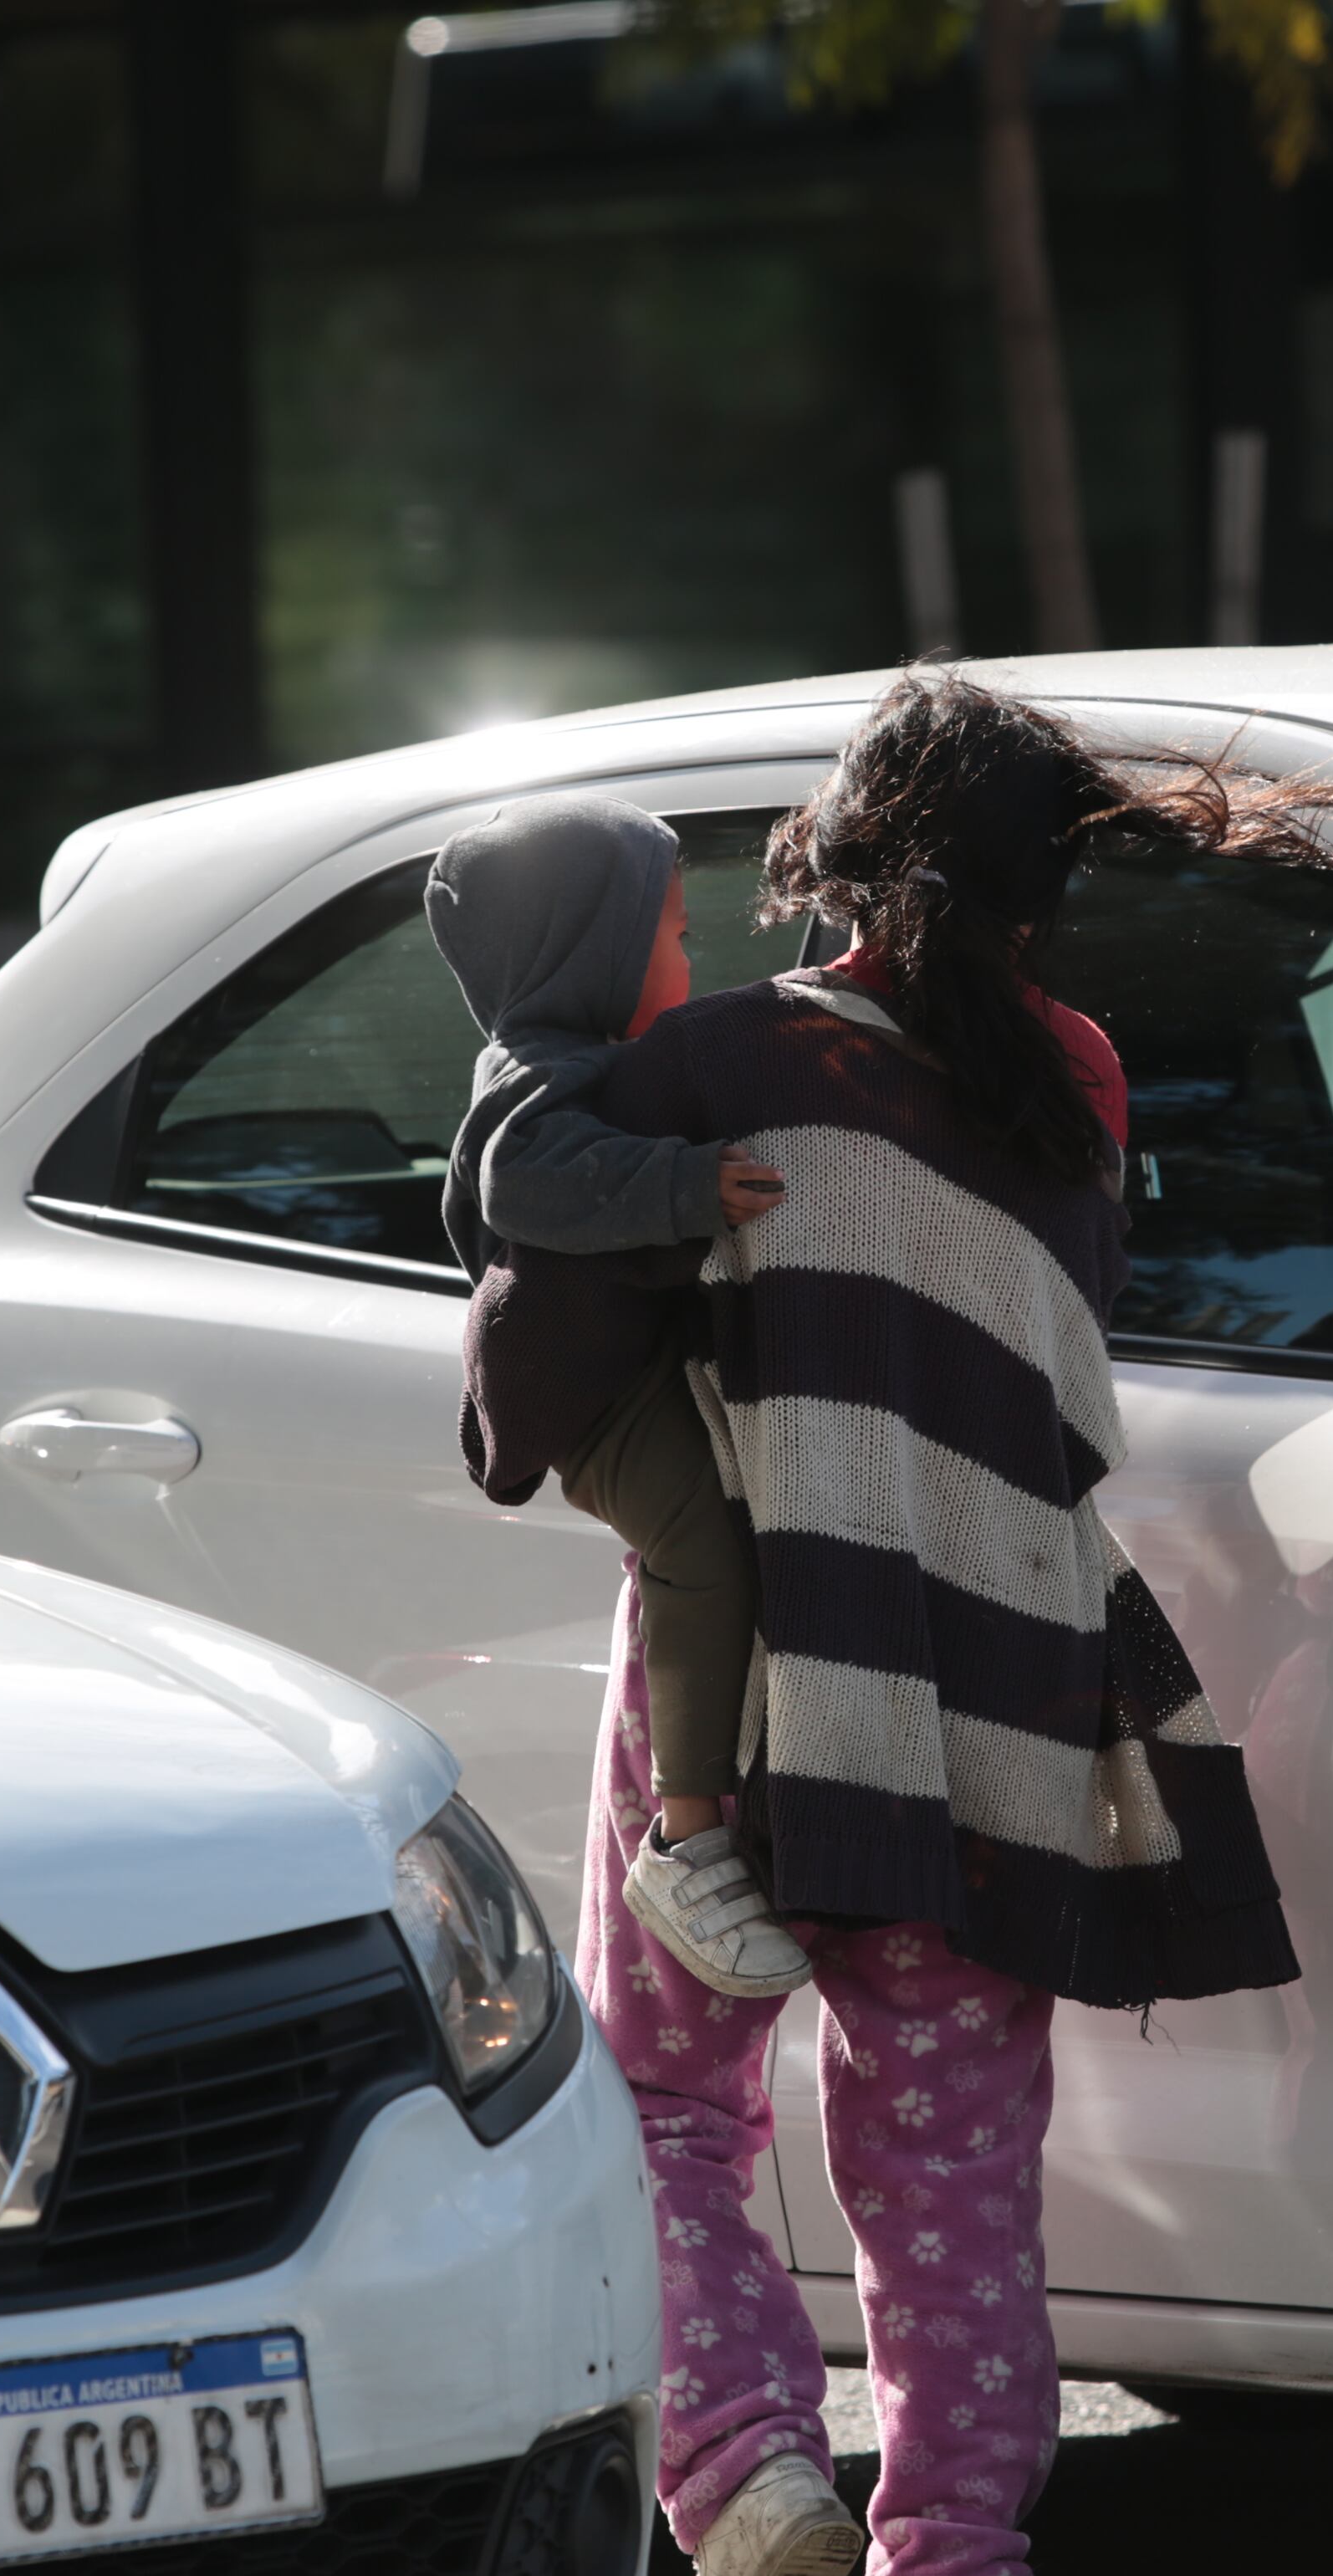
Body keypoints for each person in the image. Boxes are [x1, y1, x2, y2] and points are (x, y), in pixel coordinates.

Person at [574, 672, 1333, 2576]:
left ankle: (742, 2471)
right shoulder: (1074, 1080)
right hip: (996, 1675)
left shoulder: (715, 1060)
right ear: (1040, 897)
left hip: (748, 1683)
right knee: (951, 2162)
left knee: (655, 2090)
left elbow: (560, 1271)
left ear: (839, 846)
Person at [426, 791, 811, 1996]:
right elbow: (529, 1182)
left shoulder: (604, 1061)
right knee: (702, 1541)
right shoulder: (535, 1075)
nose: (693, 956)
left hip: (623, 1368)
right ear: (588, 949)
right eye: (676, 931)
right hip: (583, 1394)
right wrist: (688, 1185)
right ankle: (689, 1837)